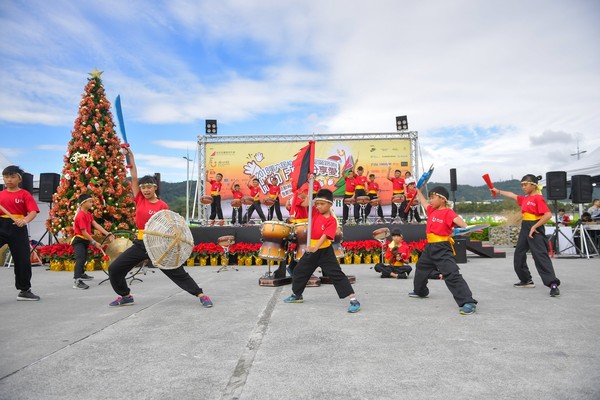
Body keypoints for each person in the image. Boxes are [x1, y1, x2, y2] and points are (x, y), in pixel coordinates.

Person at [108, 148, 213, 308]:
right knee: (115, 268)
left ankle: (201, 294)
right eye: (143, 188)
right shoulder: (139, 199)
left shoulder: (162, 206)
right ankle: (126, 296)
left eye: (148, 187)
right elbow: (134, 177)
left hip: (158, 246)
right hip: (140, 244)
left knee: (177, 273)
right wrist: (130, 156)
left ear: (155, 187)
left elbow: (170, 227)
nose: (145, 190)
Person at [283, 188, 360, 313]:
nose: (318, 206)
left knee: (337, 275)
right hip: (311, 251)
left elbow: (325, 236)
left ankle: (353, 300)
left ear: (330, 204)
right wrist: (308, 187)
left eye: (322, 204)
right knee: (298, 271)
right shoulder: (314, 212)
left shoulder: (332, 220)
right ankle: (297, 295)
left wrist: (314, 248)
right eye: (317, 203)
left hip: (324, 252)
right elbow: (306, 203)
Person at [409, 186, 478, 315]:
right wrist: (418, 191)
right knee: (421, 267)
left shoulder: (448, 212)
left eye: (433, 198)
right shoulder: (432, 211)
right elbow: (423, 203)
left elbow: (458, 220)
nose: (430, 201)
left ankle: (468, 302)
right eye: (429, 198)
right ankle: (421, 291)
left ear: (442, 199)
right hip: (430, 247)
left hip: (442, 247)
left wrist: (467, 228)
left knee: (451, 273)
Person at [491, 174, 561, 297]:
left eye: (525, 184)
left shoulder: (538, 198)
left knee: (540, 256)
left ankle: (552, 284)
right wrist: (498, 191)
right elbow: (513, 195)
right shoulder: (526, 198)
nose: (523, 187)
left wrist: (534, 227)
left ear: (533, 186)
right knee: (518, 254)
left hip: (536, 228)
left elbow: (548, 215)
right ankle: (526, 280)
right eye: (522, 185)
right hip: (525, 227)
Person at [0, 165, 40, 301]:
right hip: (1, 226)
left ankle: (24, 290)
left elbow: (33, 211)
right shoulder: (0, 195)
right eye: (6, 177)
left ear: (19, 178)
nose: (9, 180)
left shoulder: (24, 194)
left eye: (12, 177)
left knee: (23, 260)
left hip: (18, 227)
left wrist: (25, 221)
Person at [70, 193, 114, 289]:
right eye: (90, 202)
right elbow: (84, 232)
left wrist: (107, 233)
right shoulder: (80, 215)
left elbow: (96, 225)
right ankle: (77, 280)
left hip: (85, 240)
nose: (92, 204)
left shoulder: (88, 214)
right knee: (80, 259)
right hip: (79, 240)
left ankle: (81, 274)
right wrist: (94, 242)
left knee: (84, 257)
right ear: (83, 203)